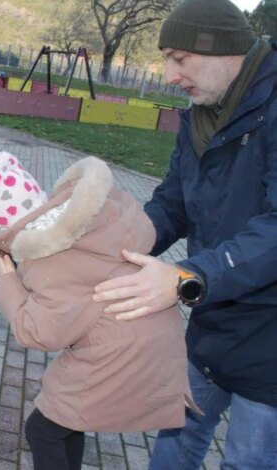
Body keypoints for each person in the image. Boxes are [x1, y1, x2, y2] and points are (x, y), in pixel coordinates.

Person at [91, 0, 277, 468]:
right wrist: (116, 247)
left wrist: (183, 277)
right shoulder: (199, 113)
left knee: (247, 460)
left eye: (179, 58)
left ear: (222, 50)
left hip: (268, 340)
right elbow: (173, 203)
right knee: (177, 441)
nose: (171, 75)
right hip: (211, 321)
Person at [0, 153, 198, 470]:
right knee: (66, 421)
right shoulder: (88, 222)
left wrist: (8, 282)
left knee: (43, 431)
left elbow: (39, 332)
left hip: (118, 355)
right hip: (151, 341)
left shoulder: (51, 259)